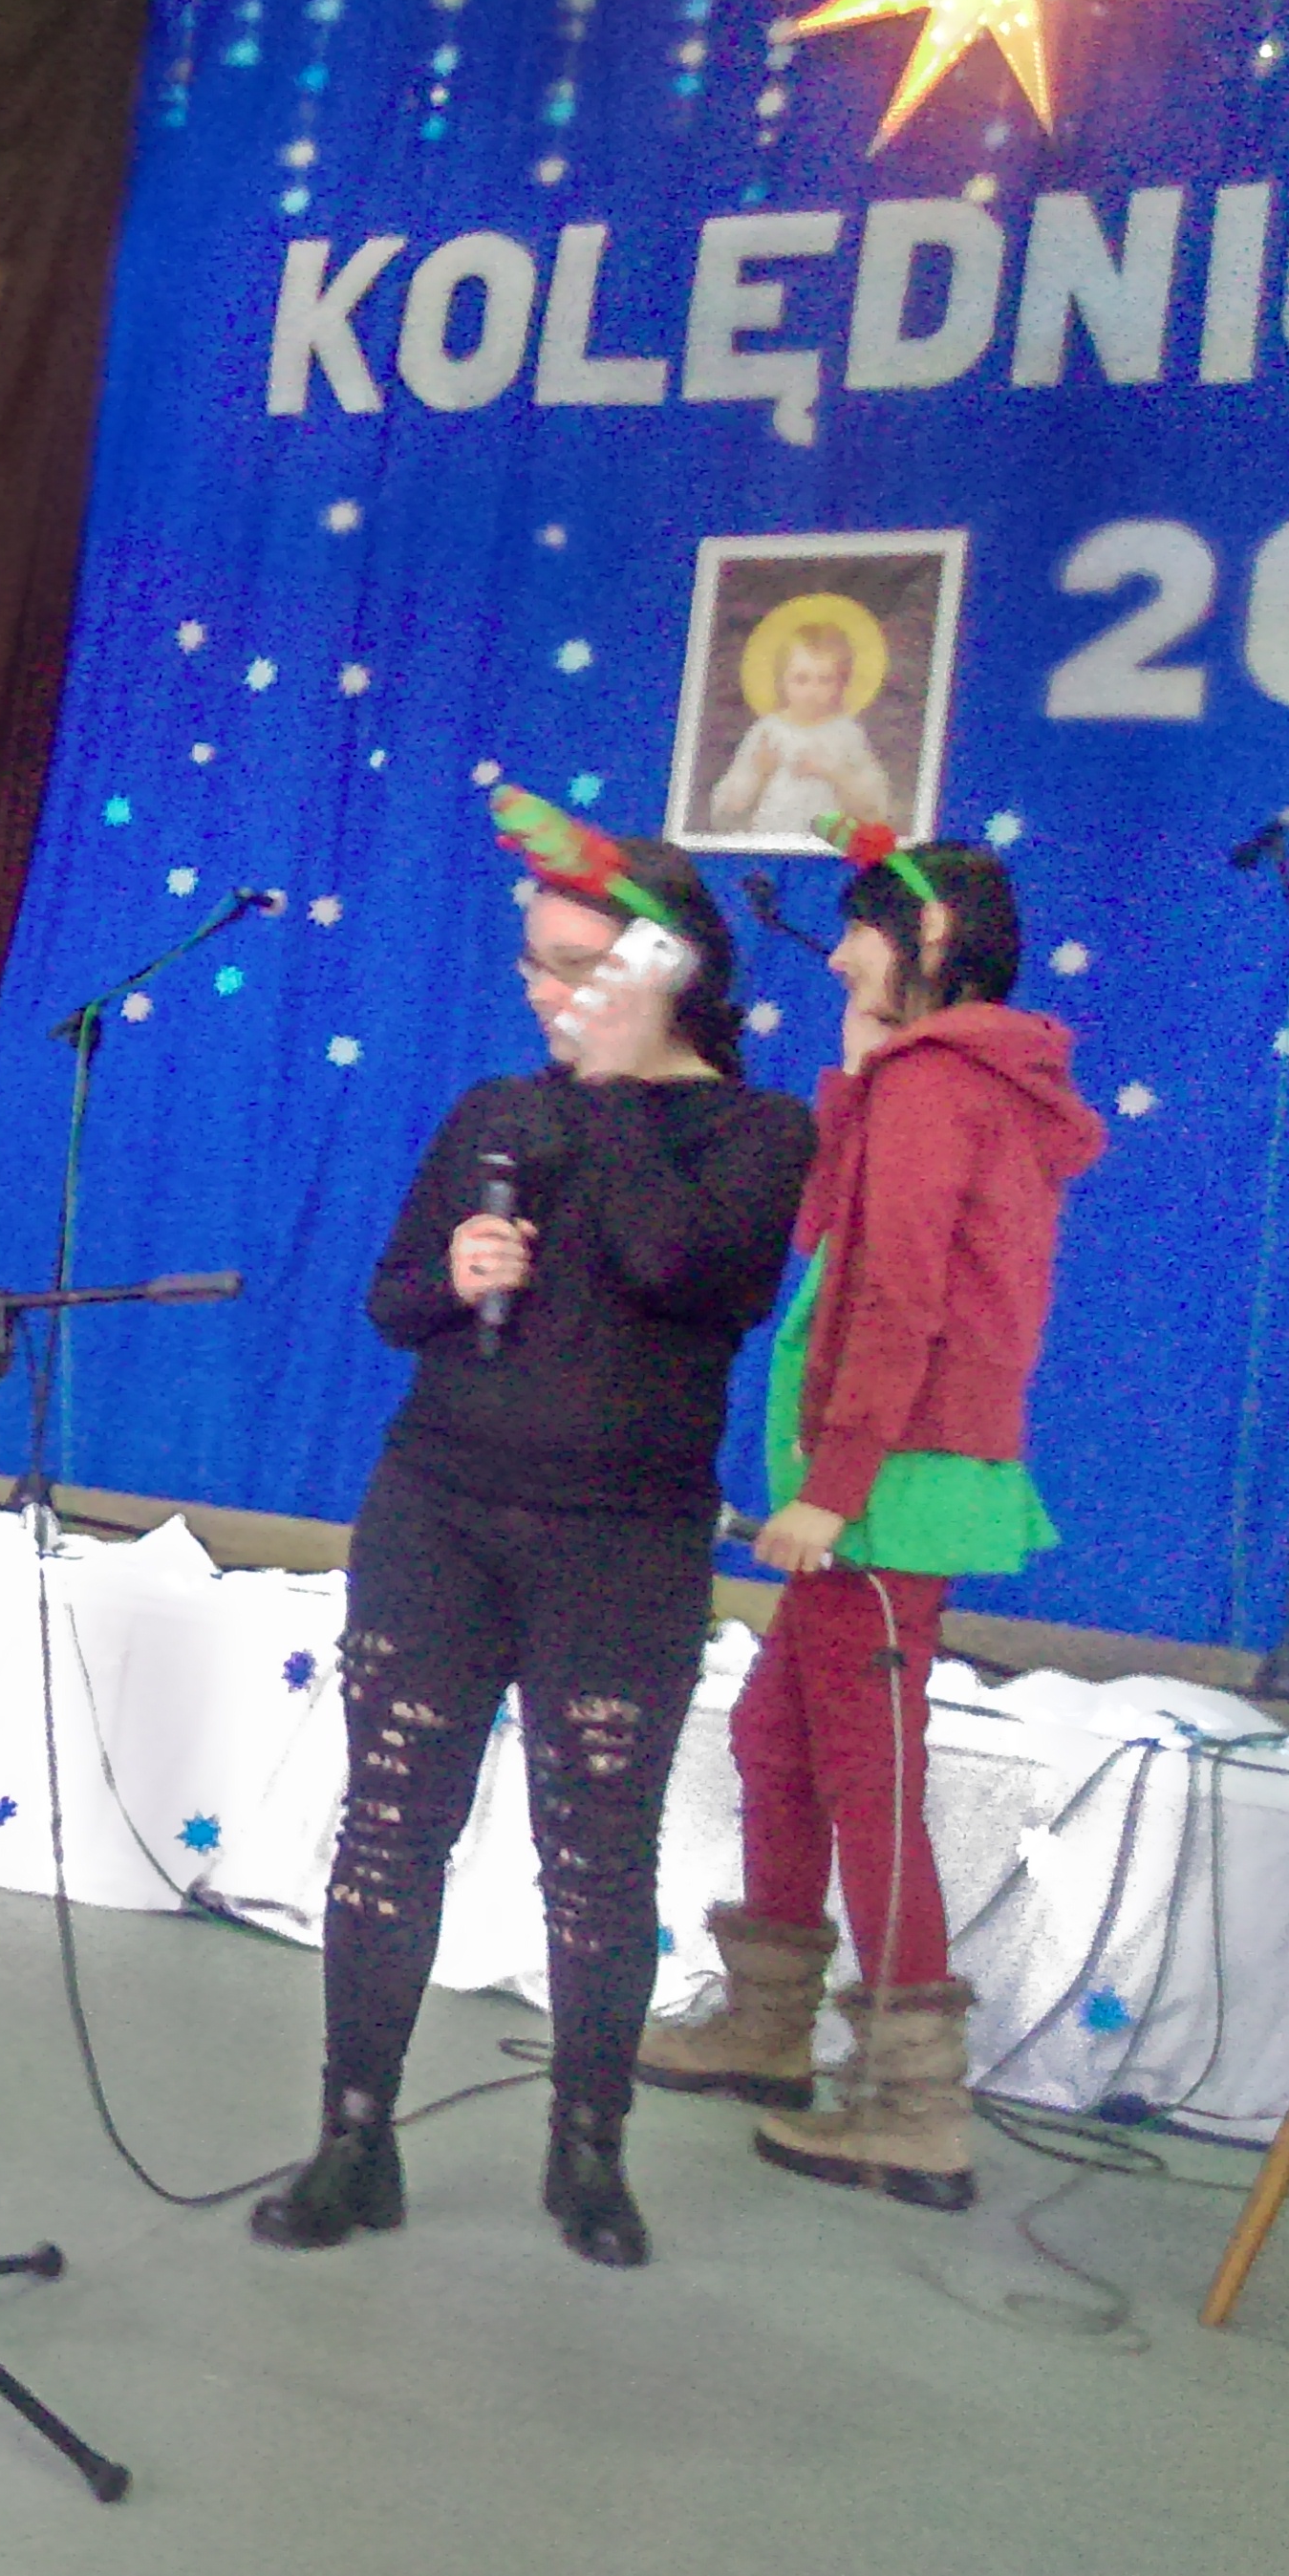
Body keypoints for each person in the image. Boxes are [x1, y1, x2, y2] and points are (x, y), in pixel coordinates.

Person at [250, 819, 813, 2270]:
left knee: (599, 1858)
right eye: (535, 964)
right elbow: (390, 1302)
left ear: (669, 971)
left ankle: (588, 2152)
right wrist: (451, 1273)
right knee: (390, 1827)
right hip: (439, 1511)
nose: (544, 993)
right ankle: (354, 2138)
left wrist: (614, 1089)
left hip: (623, 1545)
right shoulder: (492, 1111)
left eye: (578, 968)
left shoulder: (758, 1135)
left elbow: (685, 1269)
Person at [636, 834, 1102, 2210]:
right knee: (775, 1737)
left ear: (932, 937)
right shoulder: (937, 1077)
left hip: (888, 1493)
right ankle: (769, 2025)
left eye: (861, 932)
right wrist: (859, 1058)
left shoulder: (939, 1085)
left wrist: (833, 1489)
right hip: (876, 1483)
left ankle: (911, 2104)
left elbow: (898, 1296)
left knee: (866, 1775)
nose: (837, 953)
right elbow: (836, 1239)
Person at [707, 620, 890, 838]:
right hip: (770, 838)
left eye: (825, 680)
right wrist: (759, 772)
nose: (812, 691)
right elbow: (726, 810)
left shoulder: (847, 734)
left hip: (827, 842)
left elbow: (875, 808)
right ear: (782, 680)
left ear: (842, 683)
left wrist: (834, 773)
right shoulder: (767, 731)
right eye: (801, 680)